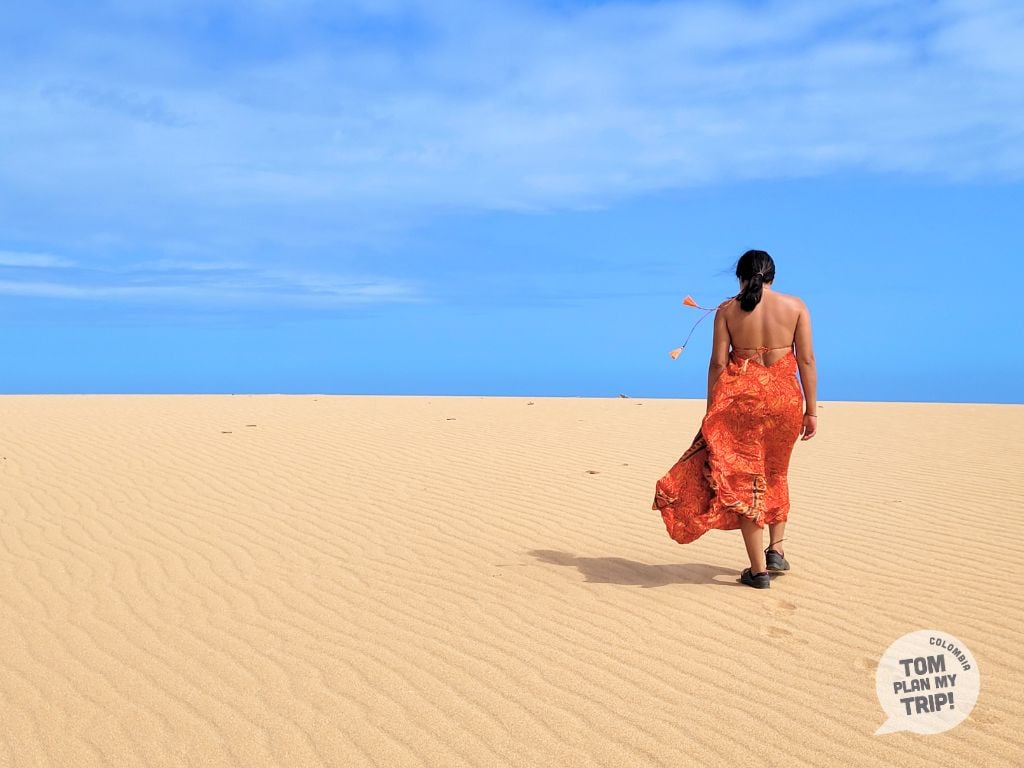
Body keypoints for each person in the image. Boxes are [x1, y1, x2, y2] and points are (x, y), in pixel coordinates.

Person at [652, 249, 817, 589]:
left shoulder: (727, 311)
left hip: (741, 402)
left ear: (741, 277)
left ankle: (758, 570)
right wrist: (811, 410)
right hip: (785, 400)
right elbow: (807, 360)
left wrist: (712, 409)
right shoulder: (796, 306)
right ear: (772, 275)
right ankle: (776, 549)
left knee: (746, 478)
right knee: (775, 471)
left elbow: (716, 364)